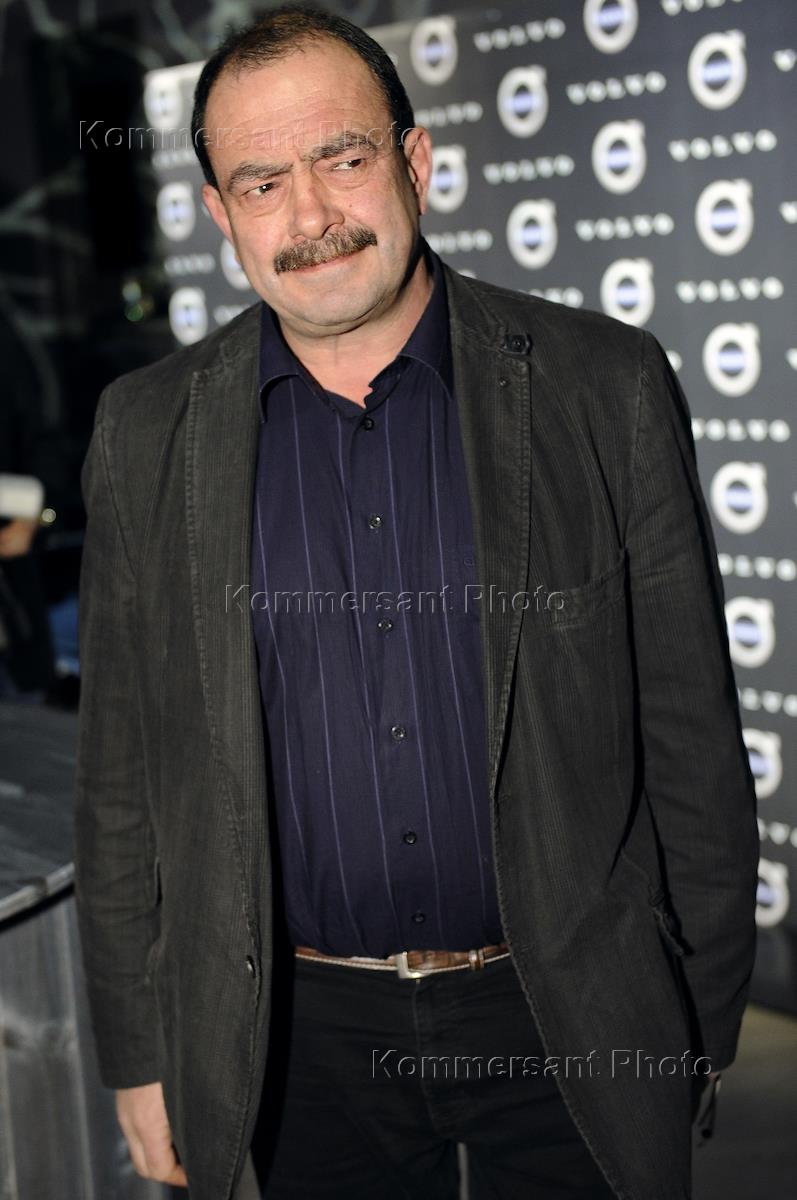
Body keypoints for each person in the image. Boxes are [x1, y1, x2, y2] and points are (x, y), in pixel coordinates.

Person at [73, 7, 759, 1199]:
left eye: (341, 158)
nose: (310, 216)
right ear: (222, 214)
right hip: (294, 1041)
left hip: (569, 1014)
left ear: (414, 163)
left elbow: (690, 736)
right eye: (262, 182)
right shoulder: (145, 431)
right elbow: (122, 776)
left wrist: (691, 1018)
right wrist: (139, 1055)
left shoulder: (601, 385)